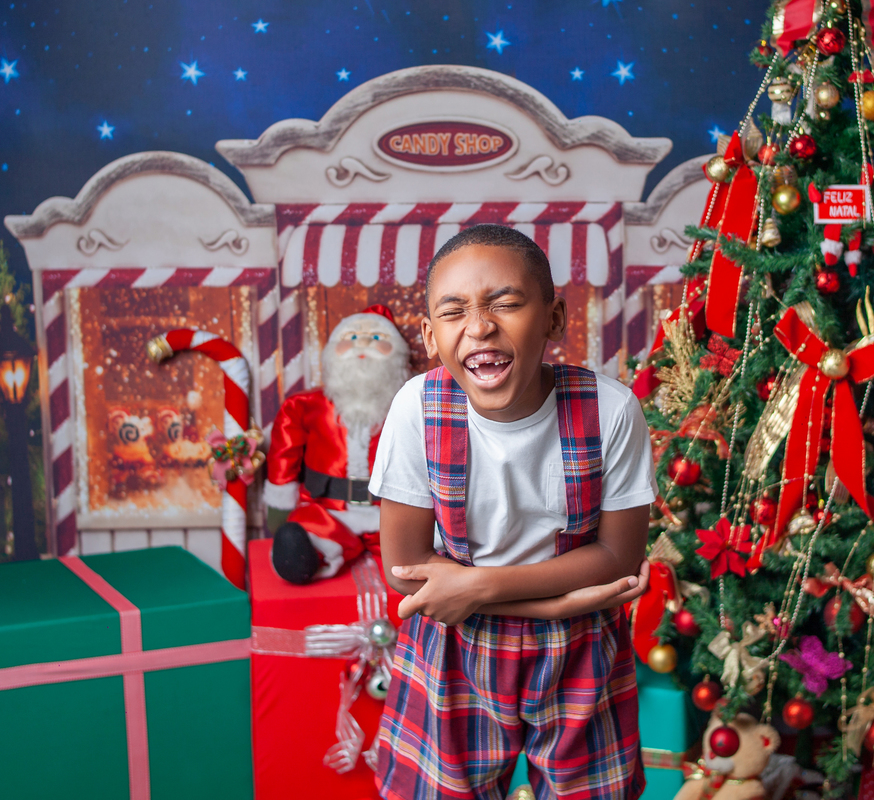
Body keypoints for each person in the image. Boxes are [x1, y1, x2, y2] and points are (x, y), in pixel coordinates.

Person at [369, 224, 655, 800]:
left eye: (506, 304)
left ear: (554, 317)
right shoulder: (416, 409)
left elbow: (617, 557)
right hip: (453, 640)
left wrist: (480, 587)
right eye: (454, 312)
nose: (479, 326)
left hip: (579, 643)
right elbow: (405, 575)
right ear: (429, 335)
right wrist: (550, 600)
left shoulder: (611, 410)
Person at [265, 304, 412, 583]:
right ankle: (307, 554)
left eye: (377, 339)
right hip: (328, 511)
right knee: (304, 534)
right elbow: (284, 454)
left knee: (423, 545)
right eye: (352, 337)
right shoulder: (305, 406)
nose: (363, 345)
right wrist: (278, 506)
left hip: (393, 514)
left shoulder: (413, 406)